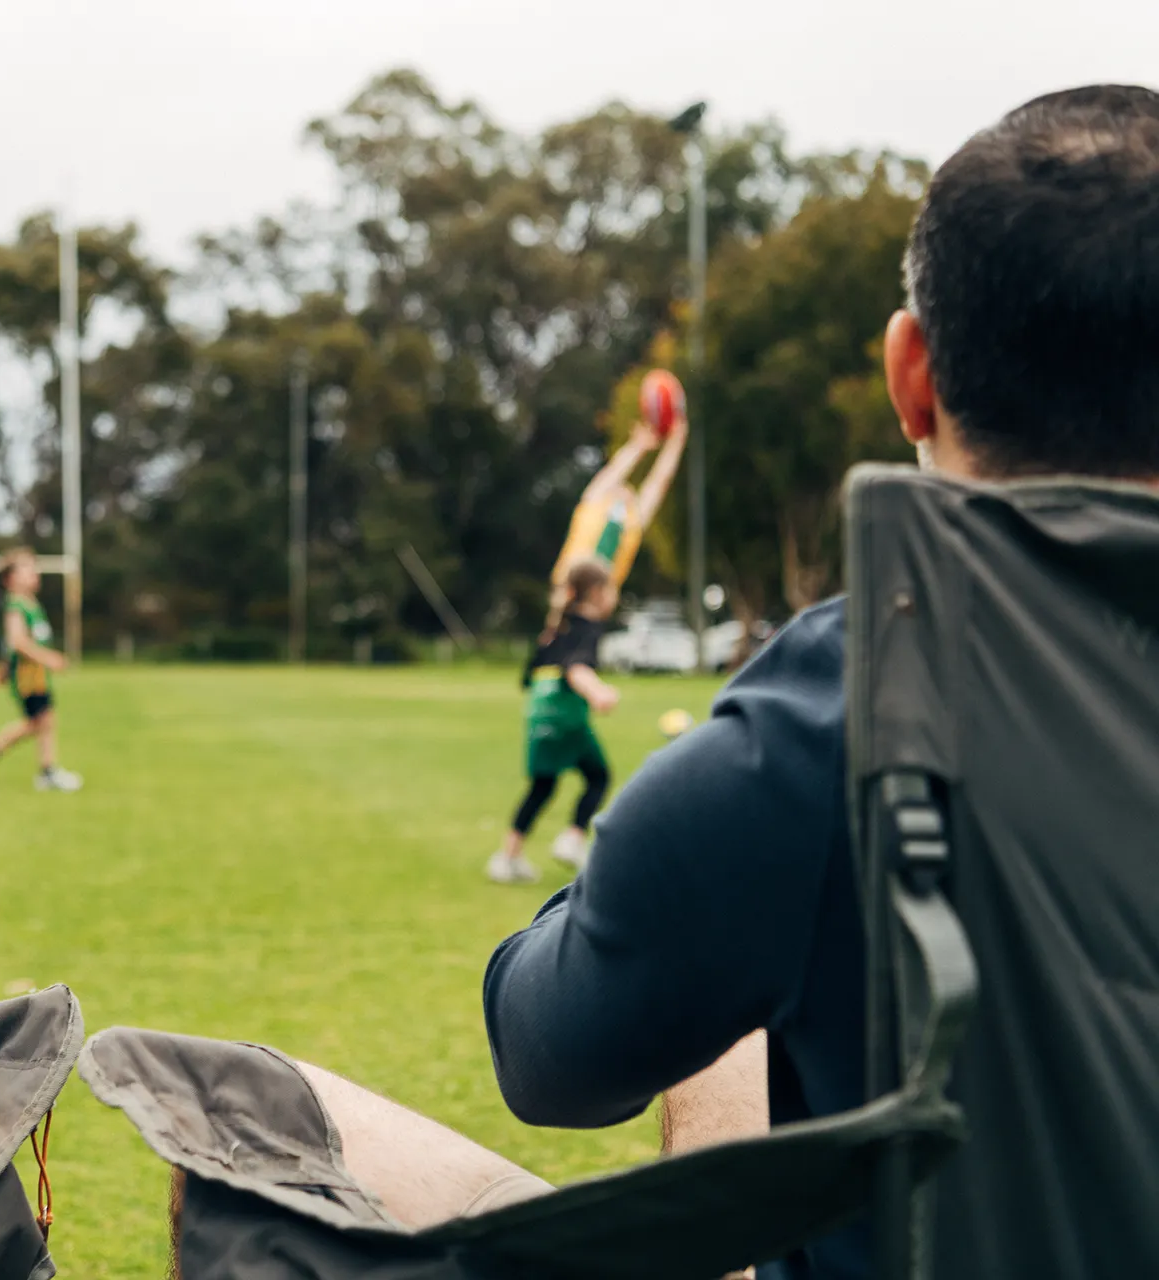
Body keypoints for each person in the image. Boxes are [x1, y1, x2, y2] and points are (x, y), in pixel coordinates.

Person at [481, 85, 1159, 1280]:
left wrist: (685, 858)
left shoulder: (824, 718)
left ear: (912, 373)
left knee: (250, 1119)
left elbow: (548, 1055)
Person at [486, 556, 621, 884]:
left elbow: (527, 678)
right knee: (599, 776)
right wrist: (598, 692)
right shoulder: (586, 627)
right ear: (596, 592)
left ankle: (507, 857)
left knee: (543, 786)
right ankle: (573, 839)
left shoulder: (554, 628)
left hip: (538, 719)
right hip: (568, 720)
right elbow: (576, 668)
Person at [541, 413, 688, 636]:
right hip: (570, 583)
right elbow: (613, 473)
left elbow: (659, 482)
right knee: (557, 633)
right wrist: (637, 446)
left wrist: (676, 443)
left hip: (598, 595)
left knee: (579, 642)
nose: (624, 489)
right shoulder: (593, 506)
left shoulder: (632, 521)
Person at [0, 546, 83, 792]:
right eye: (27, 568)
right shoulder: (16, 606)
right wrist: (48, 658)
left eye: (34, 567)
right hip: (27, 675)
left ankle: (45, 770)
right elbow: (17, 642)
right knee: (39, 721)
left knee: (43, 722)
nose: (34, 572)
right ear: (10, 579)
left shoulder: (30, 604)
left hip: (36, 674)